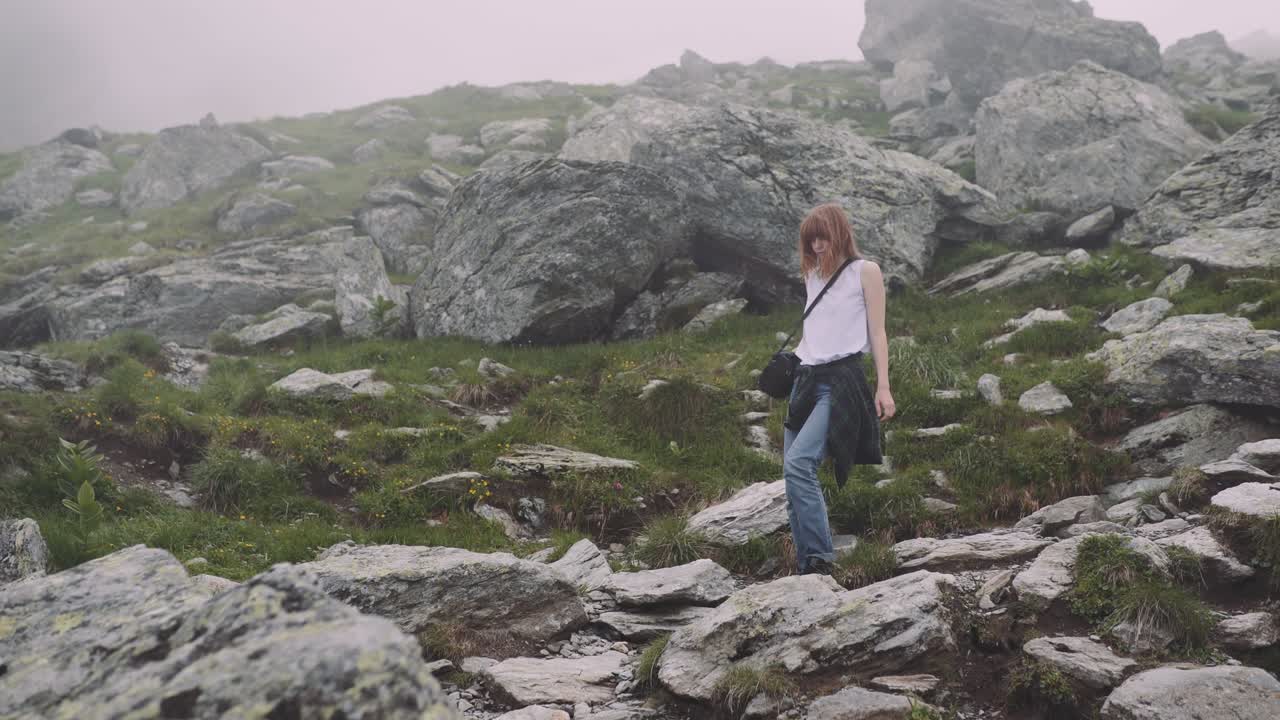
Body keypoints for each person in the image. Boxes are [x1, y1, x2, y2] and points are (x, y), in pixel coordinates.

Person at [783, 203, 894, 575]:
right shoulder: (811, 274)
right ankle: (804, 567)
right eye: (810, 238)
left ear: (839, 233)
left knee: (800, 463)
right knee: (791, 471)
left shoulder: (866, 271)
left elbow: (878, 332)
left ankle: (819, 562)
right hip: (806, 378)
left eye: (822, 236)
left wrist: (883, 386)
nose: (816, 244)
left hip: (841, 379)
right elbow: (815, 328)